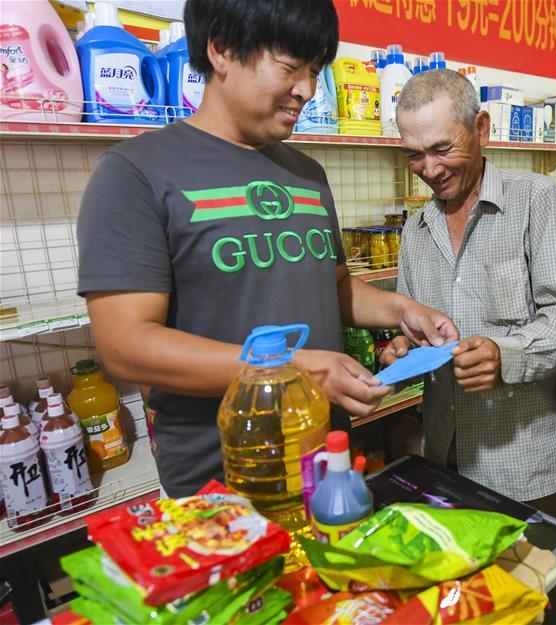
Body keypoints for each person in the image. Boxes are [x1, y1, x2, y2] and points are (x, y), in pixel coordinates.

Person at [76, 0, 458, 498]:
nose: (306, 89)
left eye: (315, 71)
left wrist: (401, 309)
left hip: (326, 456)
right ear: (221, 51)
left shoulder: (307, 175)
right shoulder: (135, 172)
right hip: (221, 477)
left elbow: (332, 286)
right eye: (290, 67)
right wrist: (291, 371)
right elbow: (125, 345)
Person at [380, 69, 556, 517]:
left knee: (533, 579)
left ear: (481, 129)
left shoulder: (535, 199)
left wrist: (502, 354)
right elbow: (416, 325)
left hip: (522, 463)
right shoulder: (417, 227)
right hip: (445, 454)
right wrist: (403, 350)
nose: (429, 170)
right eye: (413, 155)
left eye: (441, 148)